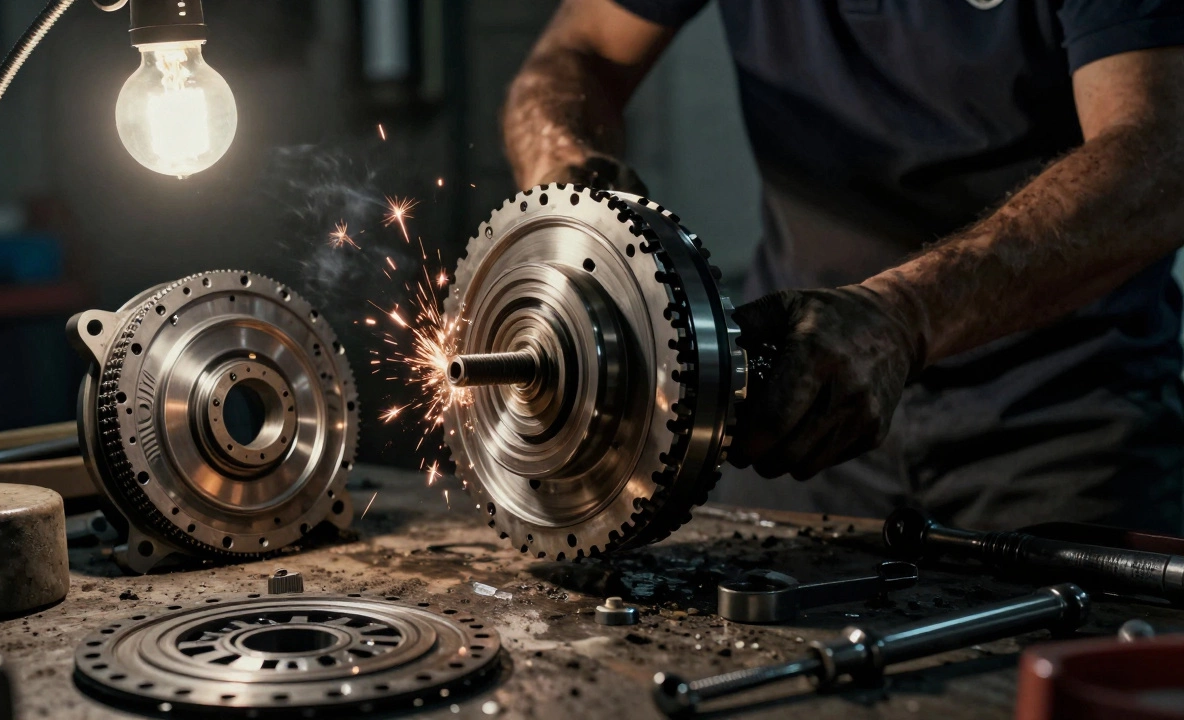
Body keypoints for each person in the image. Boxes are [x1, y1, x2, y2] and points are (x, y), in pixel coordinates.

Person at [501, 0, 1184, 532]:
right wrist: (571, 193)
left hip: (1064, 427)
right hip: (796, 411)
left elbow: (1161, 155)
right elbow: (576, 53)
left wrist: (904, 318)